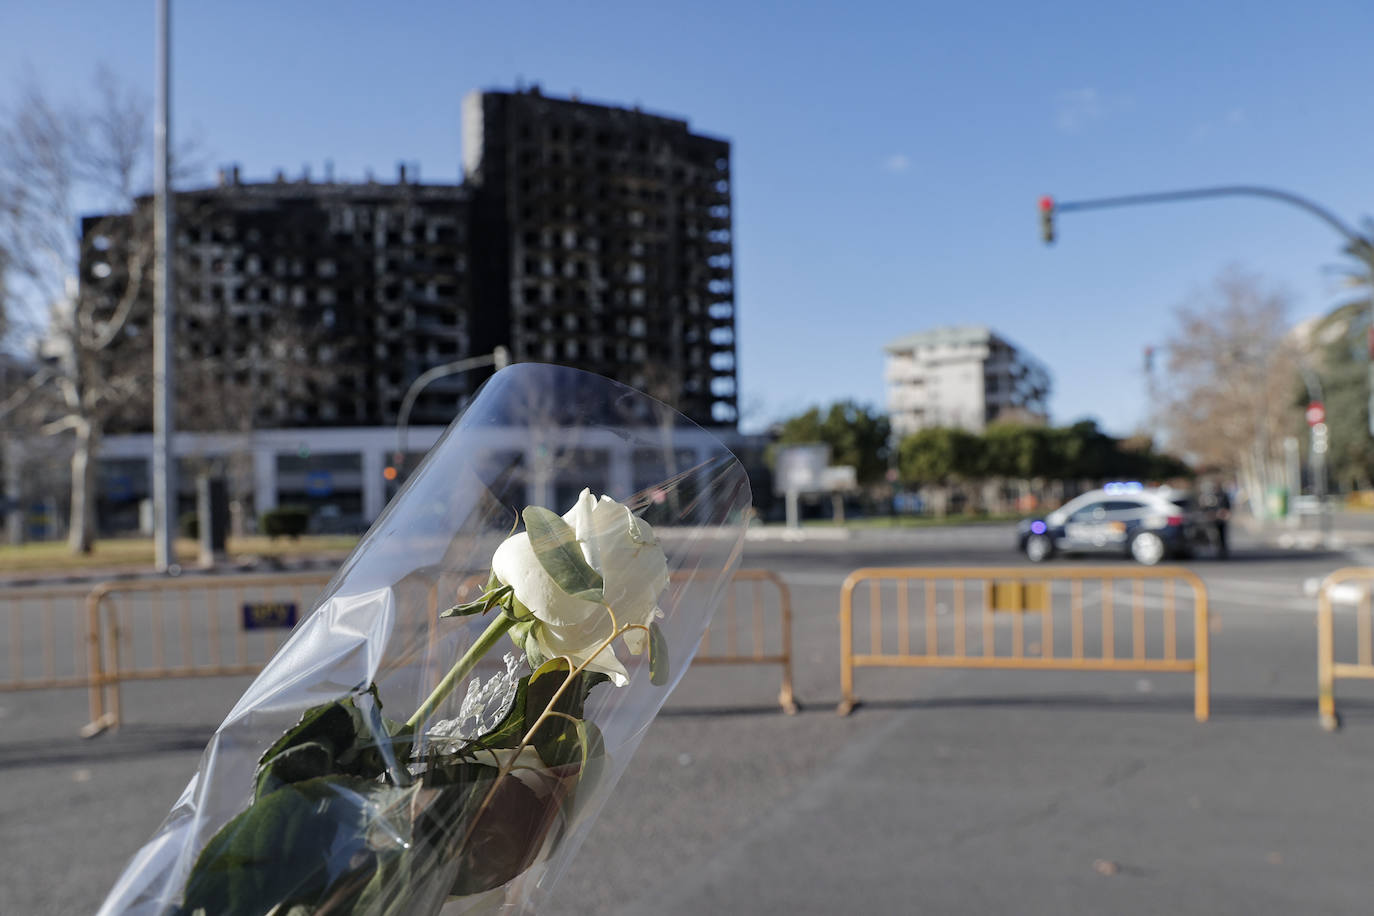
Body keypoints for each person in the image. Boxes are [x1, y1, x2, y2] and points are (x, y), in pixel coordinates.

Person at [1200, 481, 1231, 558]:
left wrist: (1224, 512)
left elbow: (1227, 506)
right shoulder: (1209, 496)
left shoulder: (1223, 495)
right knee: (1213, 535)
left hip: (1221, 519)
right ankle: (1215, 549)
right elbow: (1205, 507)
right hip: (1212, 519)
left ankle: (1223, 550)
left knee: (1222, 535)